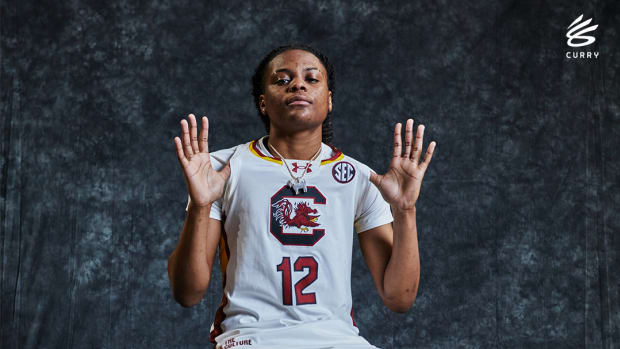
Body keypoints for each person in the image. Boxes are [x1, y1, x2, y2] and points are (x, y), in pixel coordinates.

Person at [167, 44, 436, 349]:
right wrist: (200, 207)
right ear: (263, 103)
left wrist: (405, 211)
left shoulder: (359, 177)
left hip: (338, 341)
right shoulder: (222, 170)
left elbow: (399, 298)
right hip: (251, 339)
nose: (298, 84)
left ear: (329, 100)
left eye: (312, 79)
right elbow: (187, 293)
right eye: (282, 80)